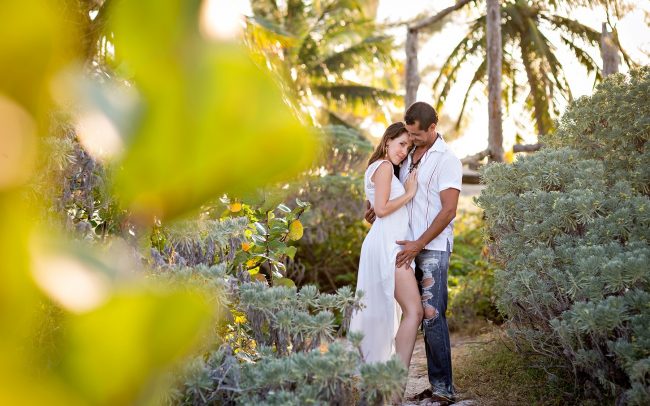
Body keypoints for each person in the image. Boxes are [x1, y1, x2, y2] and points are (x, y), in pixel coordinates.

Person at [365, 102, 462, 402]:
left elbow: (449, 211)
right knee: (412, 314)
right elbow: (391, 193)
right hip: (404, 245)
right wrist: (377, 209)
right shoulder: (405, 156)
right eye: (406, 135)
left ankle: (443, 389)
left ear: (432, 128)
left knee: (432, 315)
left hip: (430, 247)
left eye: (416, 136)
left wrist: (419, 243)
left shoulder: (447, 160)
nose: (410, 141)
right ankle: (406, 385)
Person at [349, 122, 423, 373]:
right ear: (387, 140)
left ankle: (386, 382)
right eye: (401, 143)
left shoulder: (382, 169)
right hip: (388, 247)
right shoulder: (382, 167)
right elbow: (380, 210)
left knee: (386, 314)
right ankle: (393, 383)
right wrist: (410, 193)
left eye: (409, 147)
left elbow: (372, 212)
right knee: (413, 311)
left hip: (385, 242)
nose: (404, 151)